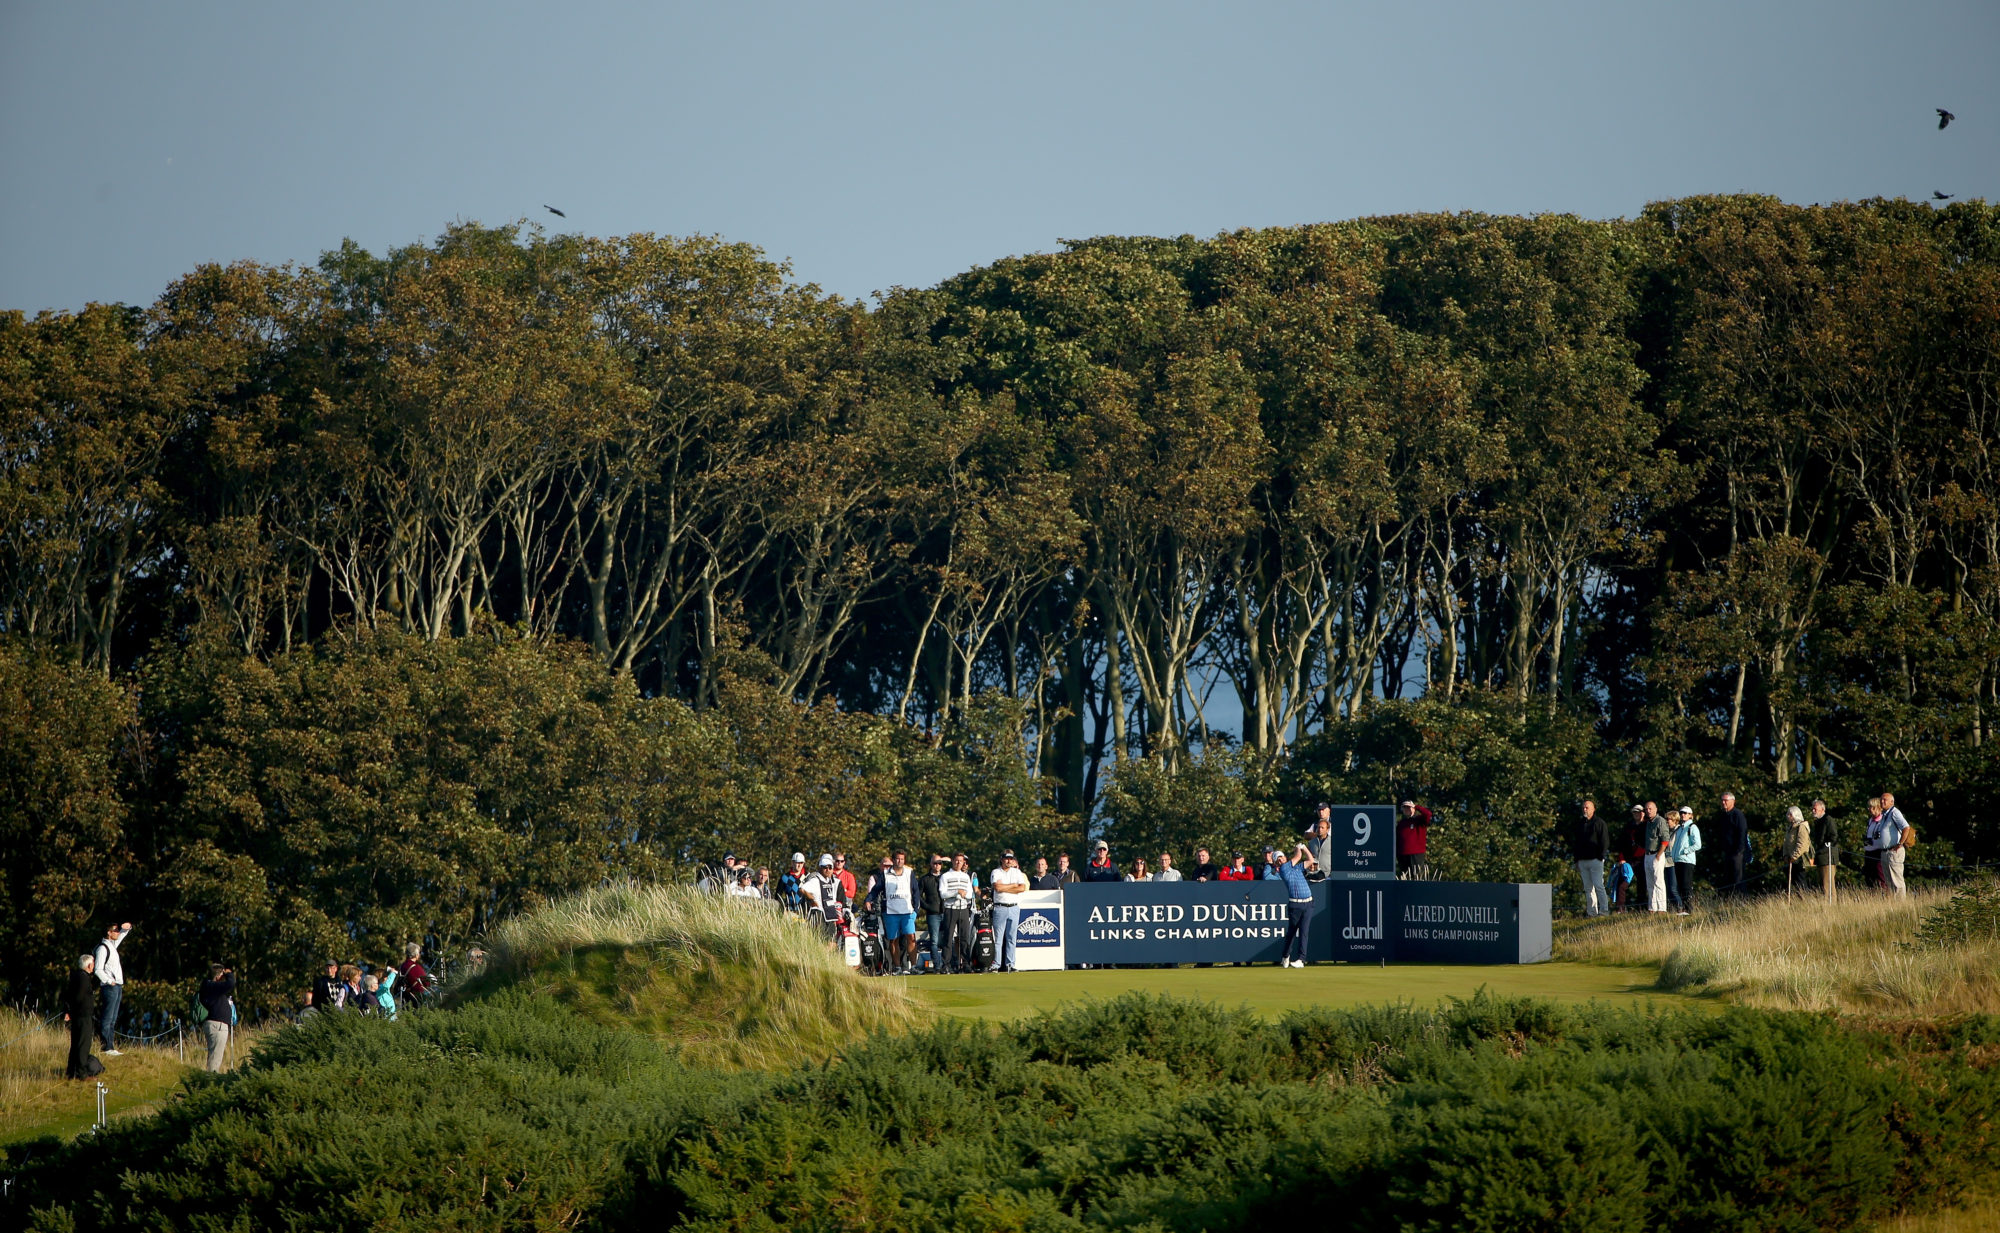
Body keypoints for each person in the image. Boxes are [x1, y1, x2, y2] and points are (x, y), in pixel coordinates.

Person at [877, 850, 919, 974]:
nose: (899, 861)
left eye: (902, 859)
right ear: (893, 860)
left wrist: (915, 910)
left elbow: (916, 891)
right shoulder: (885, 874)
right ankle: (898, 967)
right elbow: (876, 890)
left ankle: (914, 967)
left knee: (911, 938)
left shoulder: (909, 872)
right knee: (893, 940)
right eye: (897, 859)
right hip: (891, 912)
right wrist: (868, 900)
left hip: (907, 912)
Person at [92, 920, 130, 1056]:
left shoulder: (112, 945)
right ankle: (106, 1047)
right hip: (110, 987)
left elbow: (121, 937)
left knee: (113, 1019)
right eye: (115, 930)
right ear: (109, 933)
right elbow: (98, 969)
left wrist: (126, 929)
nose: (117, 933)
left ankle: (110, 1046)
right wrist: (109, 981)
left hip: (117, 986)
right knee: (107, 1018)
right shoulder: (103, 948)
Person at [1272, 849, 1314, 968]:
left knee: (1304, 932)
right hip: (1295, 905)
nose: (1280, 859)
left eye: (1282, 857)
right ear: (1276, 864)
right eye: (1277, 859)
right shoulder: (1284, 869)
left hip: (1308, 903)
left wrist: (1305, 848)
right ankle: (1285, 955)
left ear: (1285, 857)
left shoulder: (1297, 868)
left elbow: (1310, 860)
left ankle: (1301, 959)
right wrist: (1298, 848)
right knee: (1291, 932)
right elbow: (1298, 855)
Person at [989, 850, 1029, 972]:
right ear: (1001, 859)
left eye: (1011, 859)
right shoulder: (996, 872)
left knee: (1012, 937)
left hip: (1014, 907)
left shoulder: (1017, 872)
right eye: (1006, 859)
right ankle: (996, 964)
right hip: (1000, 907)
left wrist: (1006, 887)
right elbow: (997, 887)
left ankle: (1010, 964)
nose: (1009, 861)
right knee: (998, 938)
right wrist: (1013, 885)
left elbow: (1022, 888)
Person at [939, 853, 977, 973]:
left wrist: (965, 894)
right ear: (952, 861)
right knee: (948, 938)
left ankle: (966, 964)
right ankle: (946, 964)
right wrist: (956, 892)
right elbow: (943, 893)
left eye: (961, 861)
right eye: (956, 860)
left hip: (963, 908)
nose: (958, 863)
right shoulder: (945, 876)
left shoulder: (966, 877)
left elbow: (971, 894)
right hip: (950, 908)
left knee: (964, 938)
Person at [1572, 799, 1610, 916]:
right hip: (1583, 861)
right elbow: (1576, 843)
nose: (1584, 809)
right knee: (1588, 888)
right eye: (1583, 807)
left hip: (1595, 859)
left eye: (1587, 807)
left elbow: (1604, 841)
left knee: (1598, 885)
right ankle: (1592, 912)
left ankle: (1604, 911)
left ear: (1593, 809)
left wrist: (1600, 857)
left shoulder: (1599, 823)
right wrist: (1576, 860)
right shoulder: (1580, 824)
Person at [64, 954, 98, 1080]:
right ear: (89, 965)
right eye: (93, 963)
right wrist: (72, 1011)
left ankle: (71, 1072)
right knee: (83, 1045)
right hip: (83, 1016)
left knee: (76, 1044)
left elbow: (70, 995)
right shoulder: (83, 978)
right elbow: (78, 997)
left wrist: (69, 1011)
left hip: (78, 1015)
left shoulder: (76, 976)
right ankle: (81, 1073)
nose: (94, 966)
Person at [198, 965, 236, 1072]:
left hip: (213, 1024)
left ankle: (209, 1078)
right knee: (215, 1058)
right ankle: (211, 1082)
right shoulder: (213, 986)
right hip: (218, 1026)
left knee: (214, 1056)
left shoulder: (207, 985)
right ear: (219, 975)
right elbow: (231, 983)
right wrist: (229, 974)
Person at [1712, 793, 1749, 898]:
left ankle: (1741, 900)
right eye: (1722, 800)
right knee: (1728, 878)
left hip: (1737, 852)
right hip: (1727, 851)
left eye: (1726, 800)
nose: (1723, 802)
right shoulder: (1723, 815)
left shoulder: (1738, 815)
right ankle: (1731, 900)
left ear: (1733, 801)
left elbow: (1742, 832)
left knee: (1738, 877)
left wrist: (1739, 850)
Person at [1668, 805, 1701, 915]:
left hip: (1687, 861)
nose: (1683, 814)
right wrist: (1674, 855)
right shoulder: (1680, 829)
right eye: (1681, 812)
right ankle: (1684, 909)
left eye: (1685, 813)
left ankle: (1689, 909)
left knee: (1686, 885)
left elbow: (1698, 844)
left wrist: (1686, 851)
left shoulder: (1692, 827)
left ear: (1690, 815)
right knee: (1681, 886)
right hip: (1678, 860)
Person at [1879, 792, 1910, 895]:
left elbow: (1906, 827)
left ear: (1892, 802)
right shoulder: (1884, 814)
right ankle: (1893, 903)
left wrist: (1900, 843)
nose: (1882, 801)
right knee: (1889, 881)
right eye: (1881, 799)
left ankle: (1901, 905)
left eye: (1885, 800)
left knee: (1897, 880)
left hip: (1894, 851)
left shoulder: (1894, 813)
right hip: (1885, 852)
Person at [919, 856, 947, 967]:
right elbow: (918, 896)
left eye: (939, 863)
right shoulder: (925, 879)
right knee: (934, 941)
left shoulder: (945, 877)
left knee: (947, 940)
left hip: (946, 912)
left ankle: (947, 964)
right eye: (935, 863)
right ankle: (937, 965)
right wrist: (927, 907)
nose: (937, 865)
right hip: (932, 914)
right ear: (931, 864)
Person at [1645, 802, 1672, 913]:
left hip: (1657, 854)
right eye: (1646, 809)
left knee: (1659, 882)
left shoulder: (1660, 821)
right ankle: (1652, 907)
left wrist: (1658, 855)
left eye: (1650, 809)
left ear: (1656, 809)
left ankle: (1661, 908)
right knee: (1650, 883)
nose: (1648, 811)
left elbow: (1665, 840)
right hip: (1647, 855)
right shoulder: (1648, 823)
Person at [1782, 805, 1814, 895]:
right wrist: (1785, 855)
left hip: (1800, 860)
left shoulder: (1801, 827)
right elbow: (1786, 843)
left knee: (1801, 882)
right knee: (1793, 882)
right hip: (1791, 860)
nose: (1787, 816)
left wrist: (1793, 856)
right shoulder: (1790, 828)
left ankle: (1805, 901)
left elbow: (1802, 845)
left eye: (1790, 814)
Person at [1397, 800, 1433, 879]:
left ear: (1413, 809)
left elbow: (1428, 814)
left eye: (1409, 807)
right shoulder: (1401, 823)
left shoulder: (1419, 820)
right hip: (1403, 855)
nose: (1407, 809)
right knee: (1405, 878)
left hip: (1416, 854)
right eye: (1405, 808)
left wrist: (1416, 807)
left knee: (1418, 877)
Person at [1303, 808, 1334, 880]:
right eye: (1318, 827)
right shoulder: (1311, 842)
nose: (1320, 829)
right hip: (1313, 874)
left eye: (1322, 828)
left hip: (1328, 875)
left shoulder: (1332, 842)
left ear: (1327, 829)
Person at [1863, 796, 1886, 889]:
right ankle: (1871, 896)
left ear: (1878, 808)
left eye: (1872, 807)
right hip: (1868, 851)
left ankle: (1884, 895)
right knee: (1869, 877)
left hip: (1878, 852)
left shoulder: (1882, 820)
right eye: (1869, 807)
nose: (1870, 810)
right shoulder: (1870, 821)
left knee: (1880, 876)